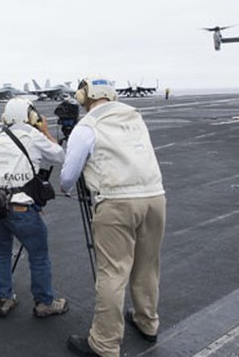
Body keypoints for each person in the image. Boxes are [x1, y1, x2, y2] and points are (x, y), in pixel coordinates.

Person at [61, 77, 166, 357]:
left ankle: (104, 343)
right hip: (155, 197)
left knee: (112, 272)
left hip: (116, 201)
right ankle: (147, 322)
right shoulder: (134, 116)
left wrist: (65, 187)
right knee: (147, 266)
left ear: (86, 97)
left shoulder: (87, 126)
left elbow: (69, 174)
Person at [0, 97, 68, 318]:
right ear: (30, 116)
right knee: (38, 255)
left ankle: (4, 299)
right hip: (21, 207)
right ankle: (44, 303)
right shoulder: (33, 135)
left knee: (1, 250)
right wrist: (45, 131)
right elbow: (60, 155)